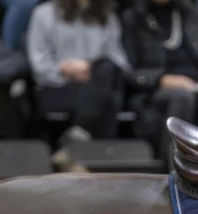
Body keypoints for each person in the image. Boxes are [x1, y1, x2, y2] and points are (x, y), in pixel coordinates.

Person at [121, 0, 198, 160]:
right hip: (157, 88)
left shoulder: (191, 14)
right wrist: (161, 79)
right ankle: (173, 165)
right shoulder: (133, 18)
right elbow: (126, 68)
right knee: (182, 97)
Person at [26, 0, 131, 142]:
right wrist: (64, 69)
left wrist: (91, 68)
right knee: (111, 99)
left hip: (98, 83)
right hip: (57, 87)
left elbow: (121, 63)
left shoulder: (107, 17)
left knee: (106, 73)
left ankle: (79, 134)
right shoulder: (43, 14)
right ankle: (92, 153)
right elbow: (39, 67)